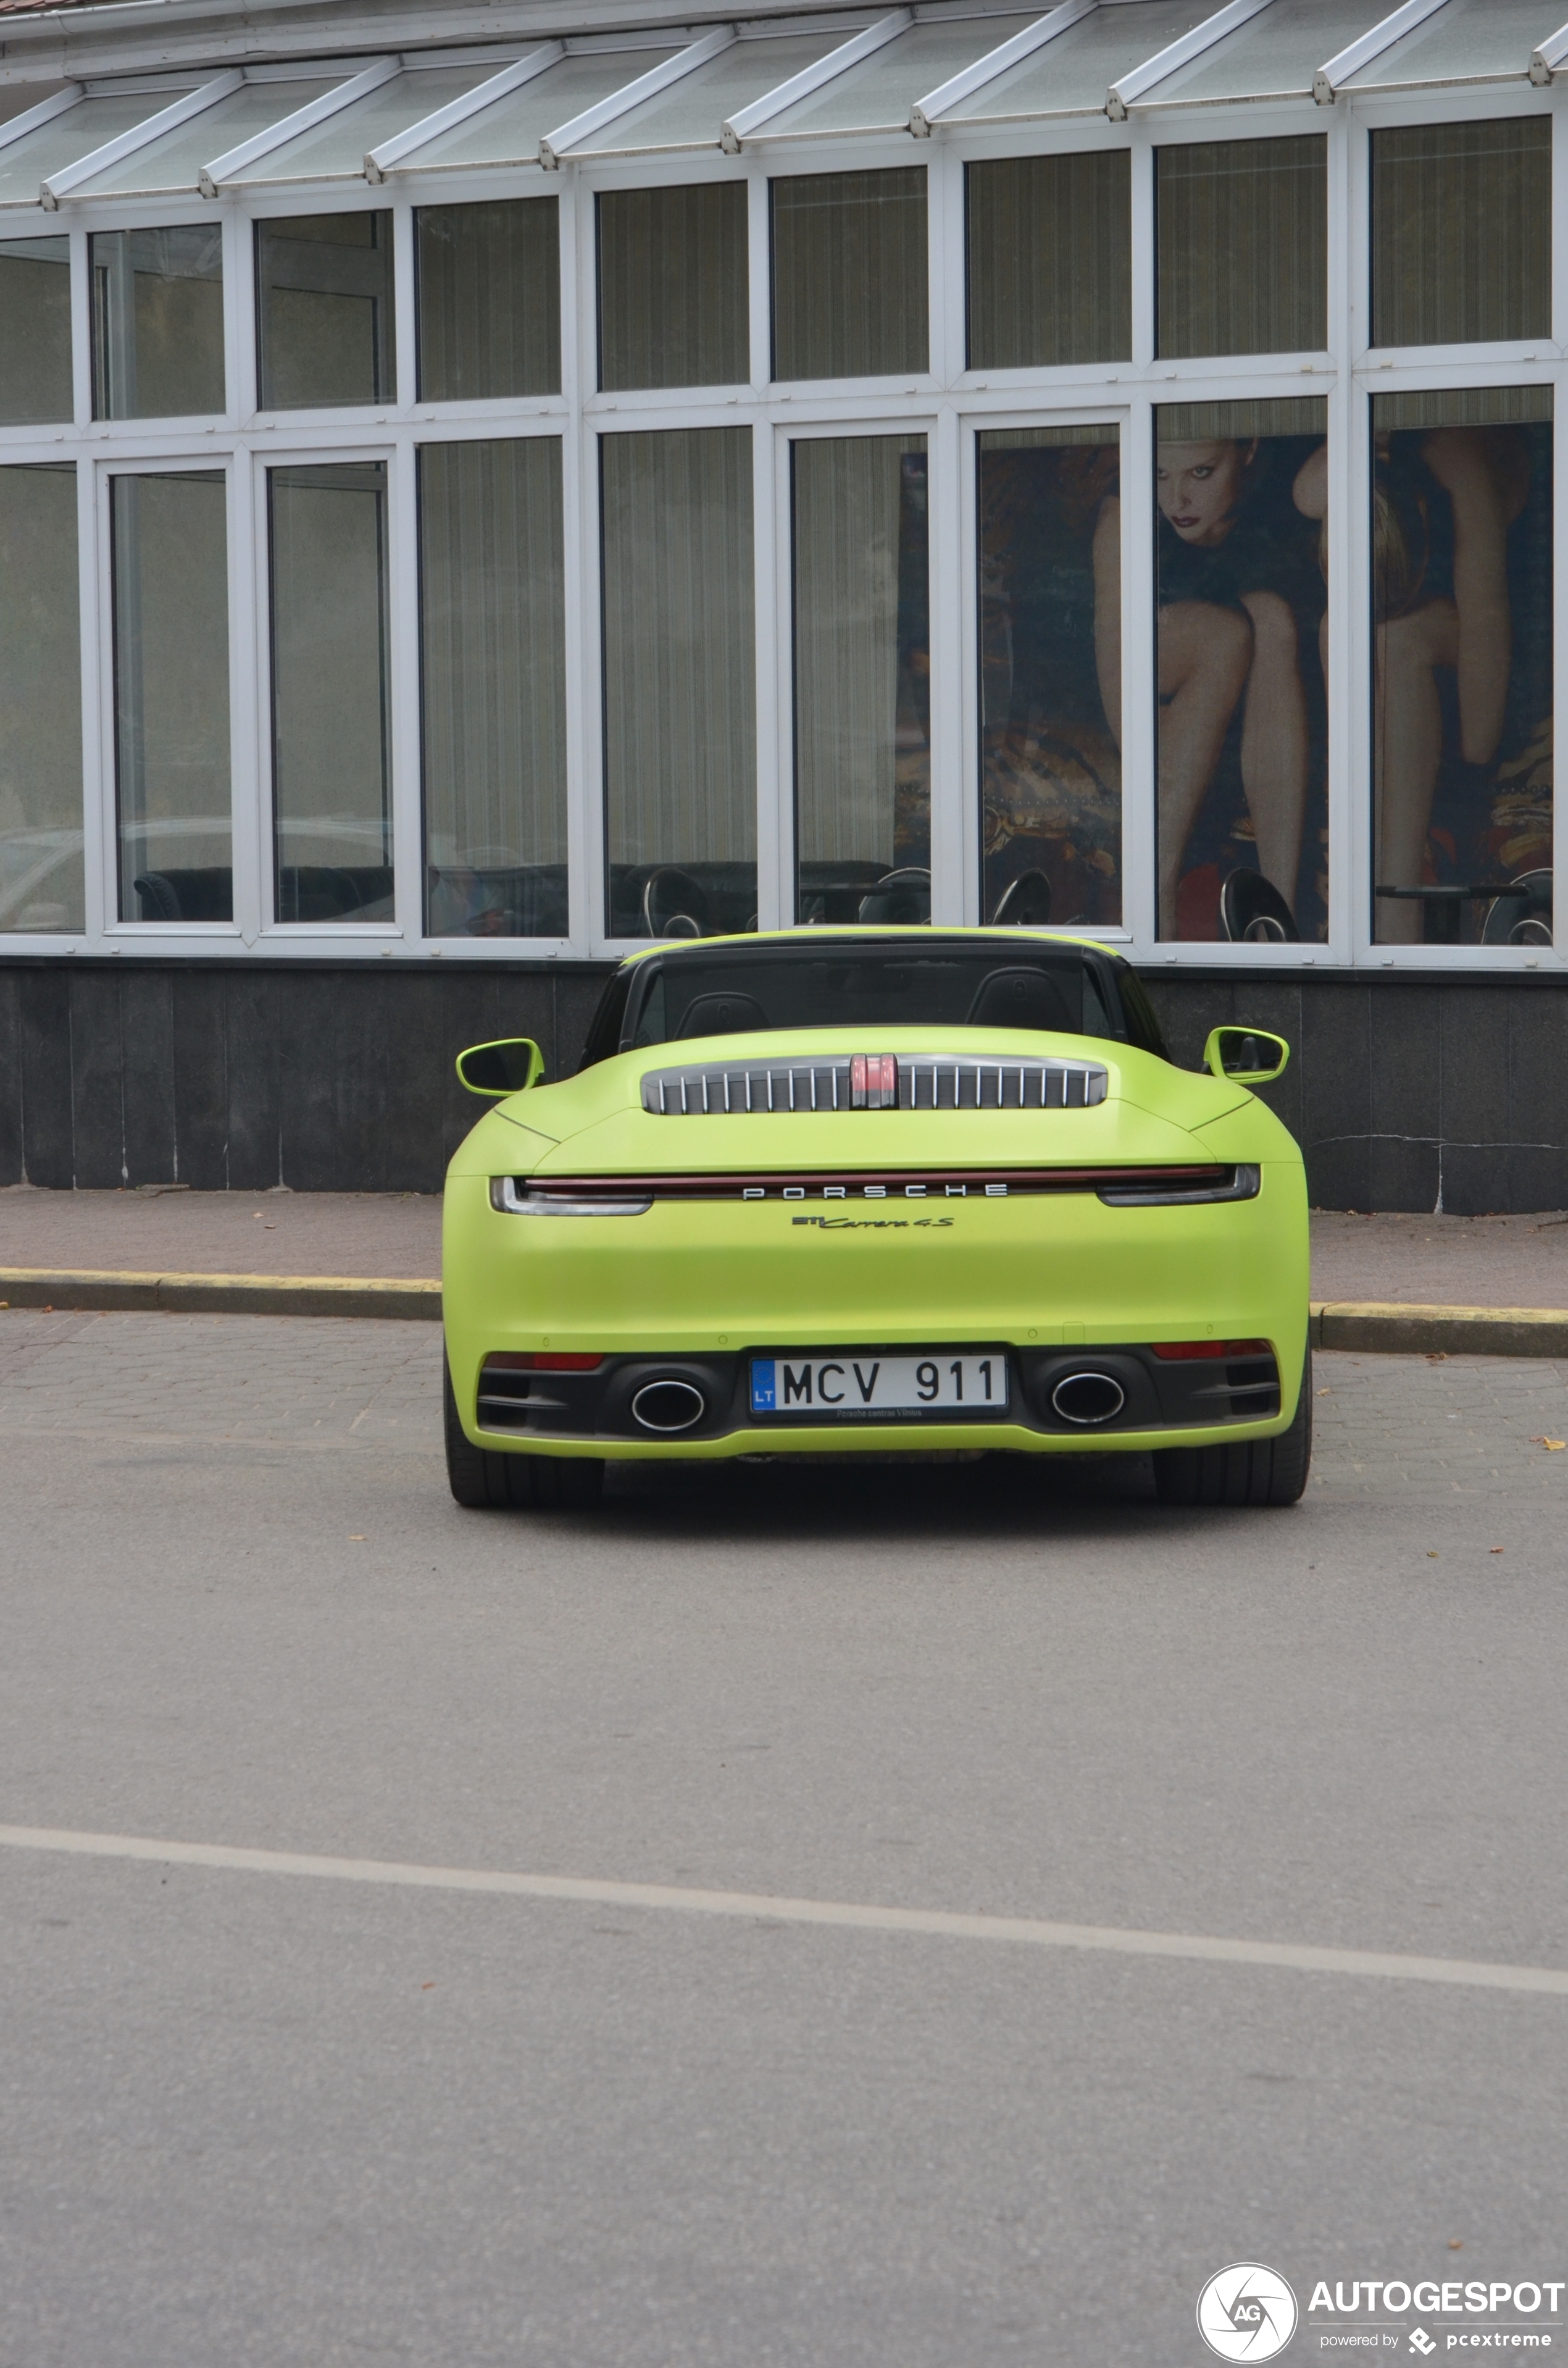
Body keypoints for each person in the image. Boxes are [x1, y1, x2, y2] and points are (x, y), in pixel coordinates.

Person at [1147, 437, 1318, 939]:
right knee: (1232, 632)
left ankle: (1275, 917)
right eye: (1160, 474)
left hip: (1256, 719)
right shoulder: (1130, 523)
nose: (1176, 499)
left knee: (1271, 616)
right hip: (1148, 708)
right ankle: (1154, 903)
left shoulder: (1278, 517)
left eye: (1200, 473)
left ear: (1248, 451)